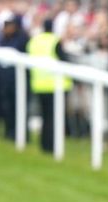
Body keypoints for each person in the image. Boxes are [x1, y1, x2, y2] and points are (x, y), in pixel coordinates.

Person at [27, 18, 71, 154]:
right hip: (55, 86)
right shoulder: (55, 41)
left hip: (38, 84)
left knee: (45, 117)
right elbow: (65, 61)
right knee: (53, 118)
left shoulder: (34, 41)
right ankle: (51, 146)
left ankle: (44, 145)